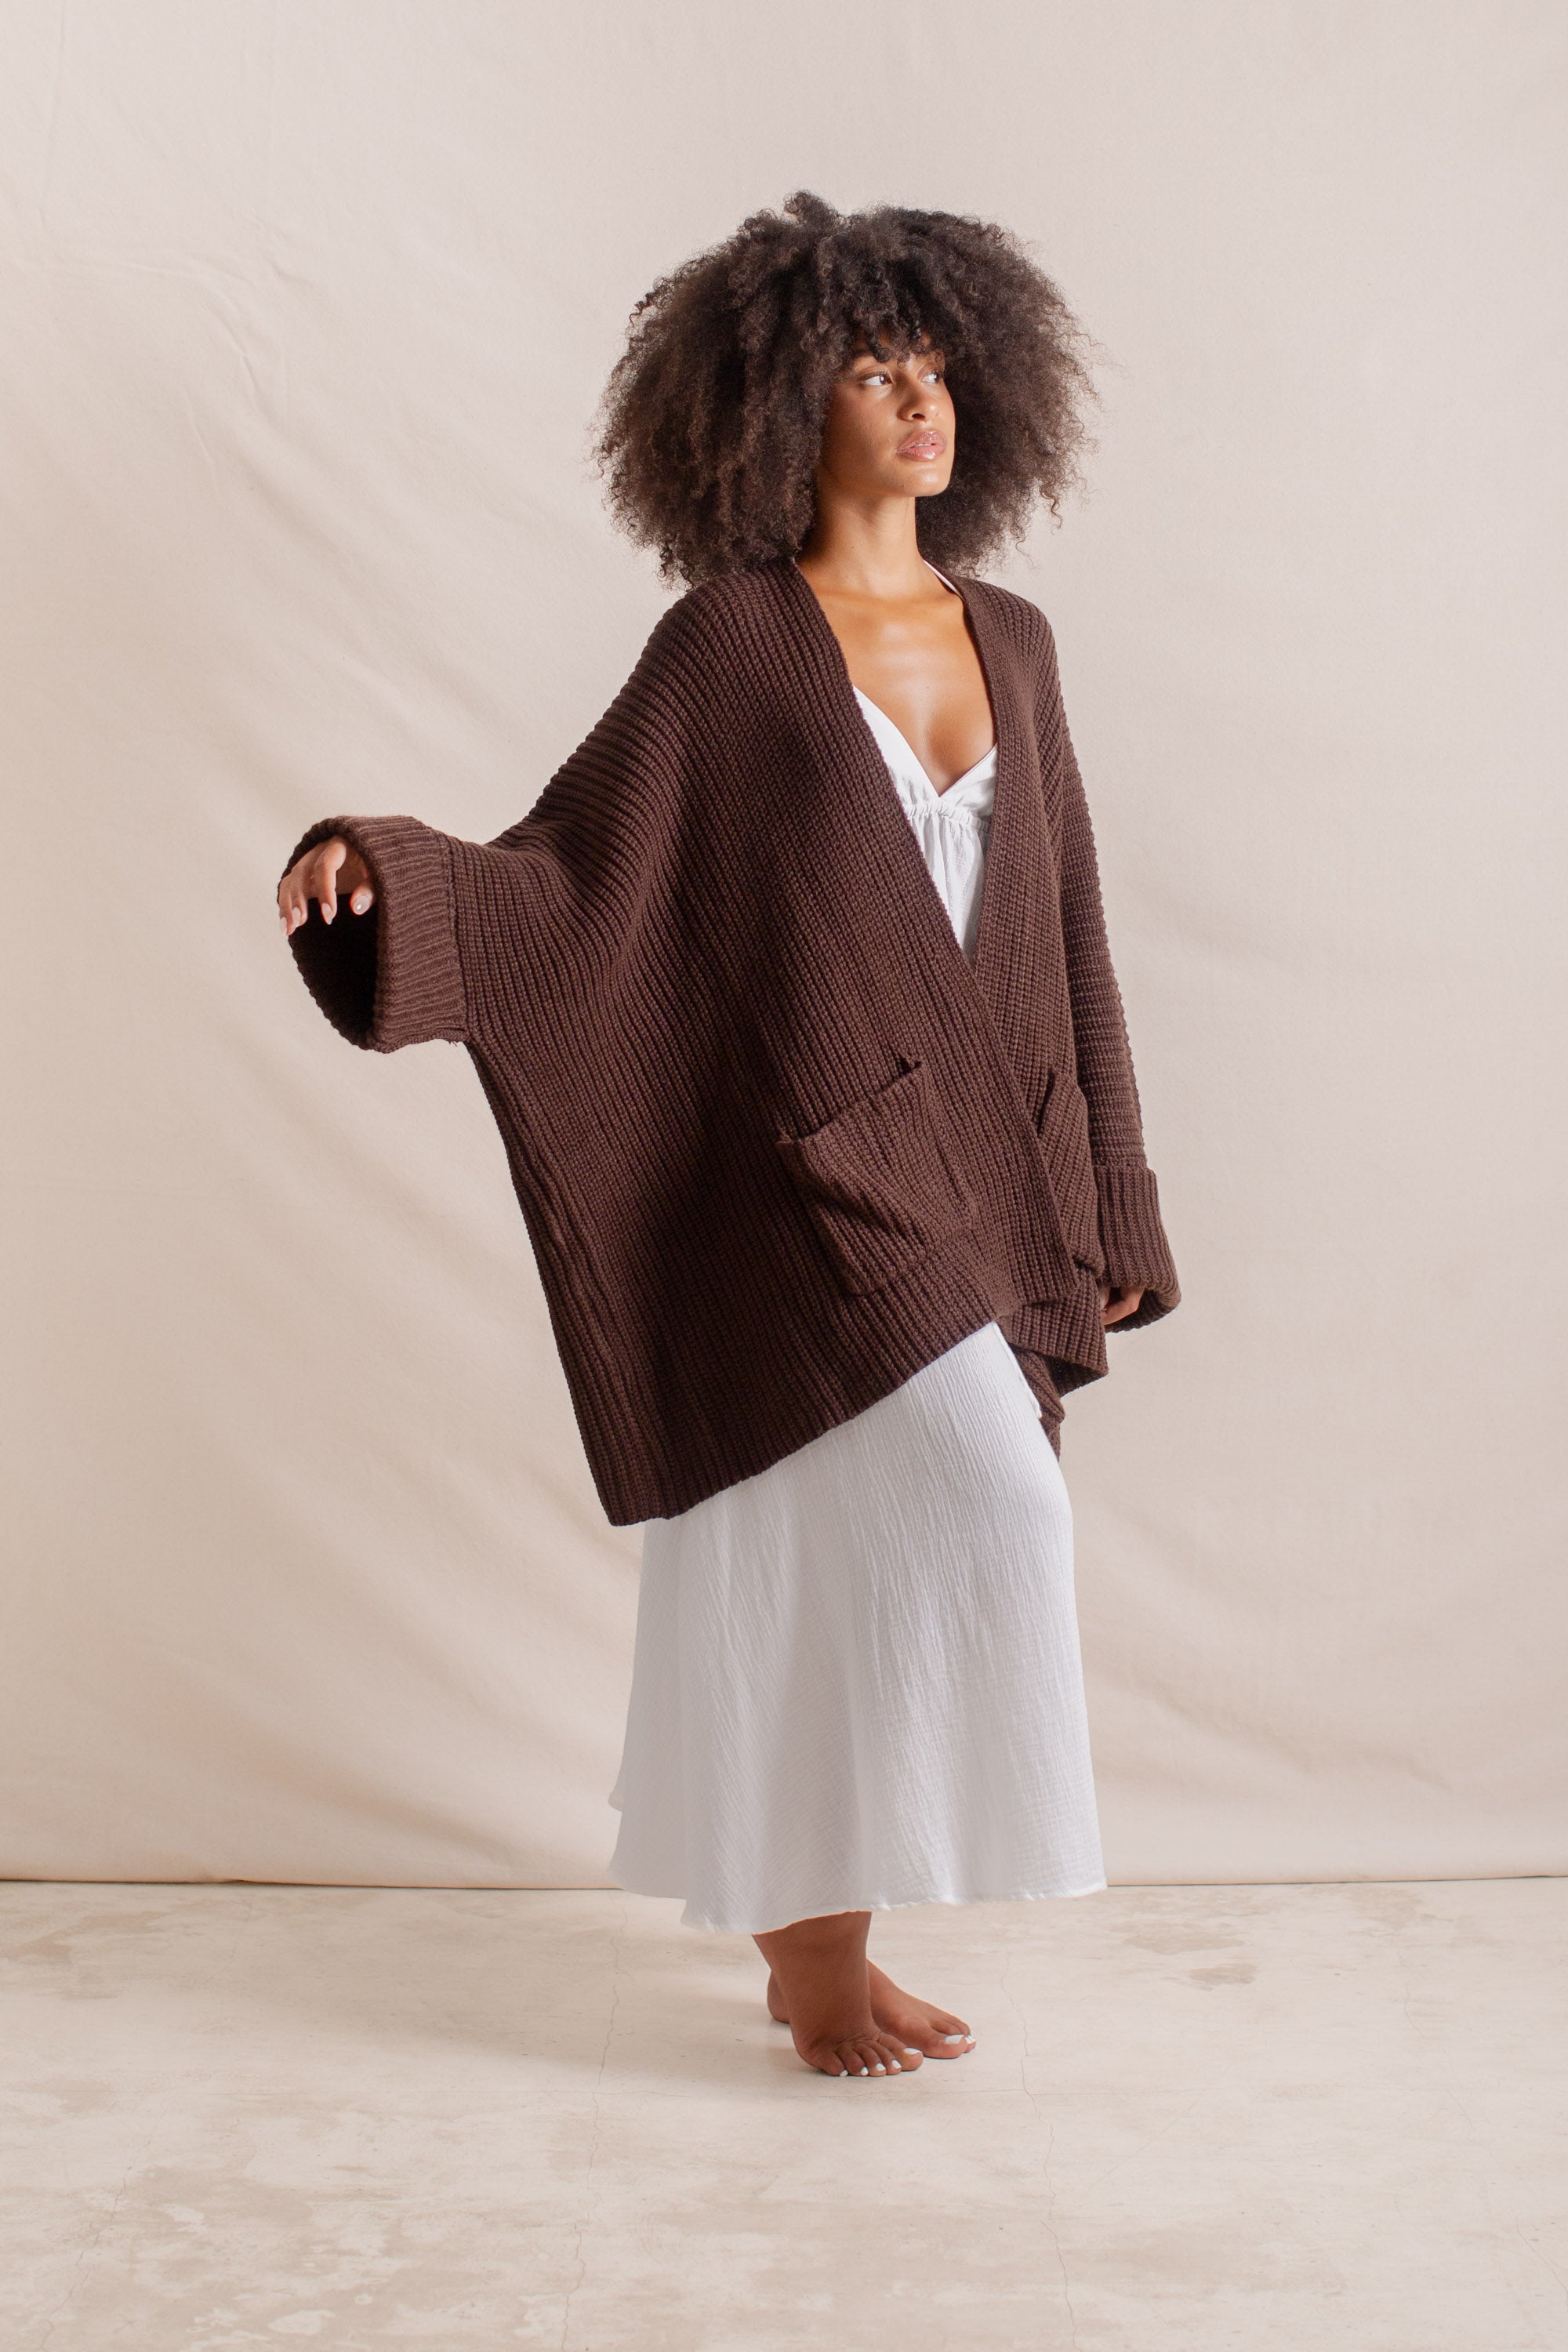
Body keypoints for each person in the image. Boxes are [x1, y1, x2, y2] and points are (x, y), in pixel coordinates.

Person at [277, 193, 1179, 2081]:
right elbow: (574, 884)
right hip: (812, 1168)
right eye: (869, 368)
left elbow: (1065, 927)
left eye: (935, 365)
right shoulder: (731, 647)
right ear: (777, 406)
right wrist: (390, 876)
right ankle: (809, 1952)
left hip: (993, 1153)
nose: (917, 400)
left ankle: (816, 1949)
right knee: (856, 1526)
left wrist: (1109, 1187)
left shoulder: (1017, 639)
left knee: (856, 1545)